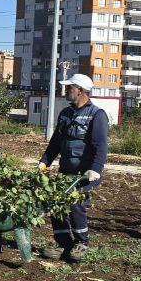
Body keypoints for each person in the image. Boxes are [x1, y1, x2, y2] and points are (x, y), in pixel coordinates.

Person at [37, 73, 108, 263]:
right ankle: (63, 243)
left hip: (86, 174)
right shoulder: (65, 114)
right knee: (56, 203)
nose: (66, 90)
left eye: (70, 87)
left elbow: (101, 147)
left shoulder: (96, 115)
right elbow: (55, 143)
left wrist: (96, 169)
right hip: (66, 171)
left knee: (76, 204)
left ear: (81, 91)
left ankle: (81, 243)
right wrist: (44, 162)